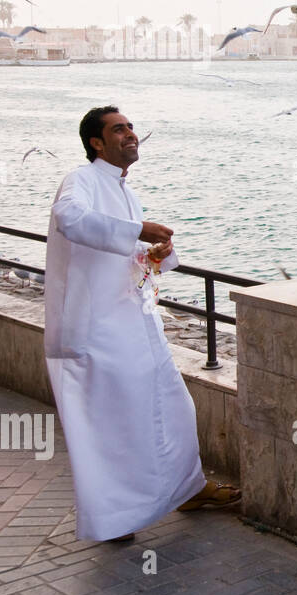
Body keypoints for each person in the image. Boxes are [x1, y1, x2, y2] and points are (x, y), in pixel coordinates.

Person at [43, 105, 239, 543]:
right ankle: (116, 518)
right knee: (113, 424)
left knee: (174, 407)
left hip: (133, 323)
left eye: (131, 127)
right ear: (97, 142)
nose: (131, 134)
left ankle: (187, 489)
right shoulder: (82, 180)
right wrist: (139, 229)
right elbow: (70, 220)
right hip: (96, 331)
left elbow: (123, 251)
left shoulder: (122, 189)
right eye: (119, 129)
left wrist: (154, 252)